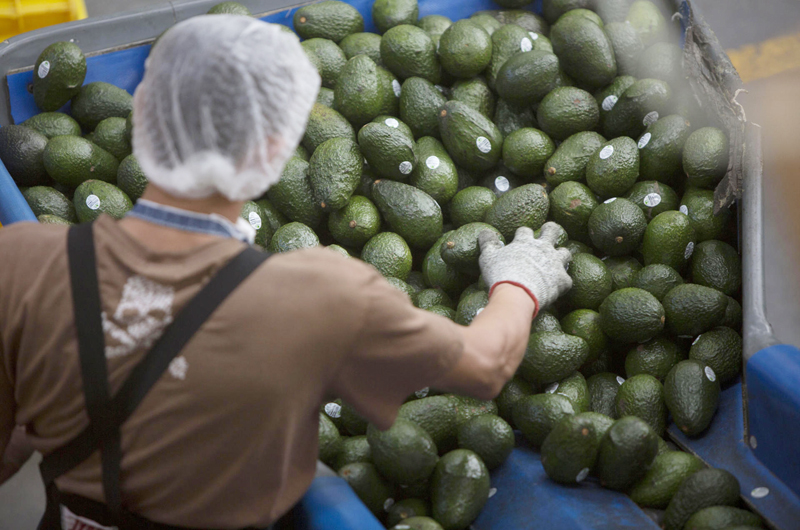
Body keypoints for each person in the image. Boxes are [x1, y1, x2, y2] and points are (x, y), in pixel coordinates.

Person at [0, 14, 572, 530]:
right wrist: (521, 277)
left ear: (141, 117)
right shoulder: (321, 293)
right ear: (275, 152)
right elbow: (486, 366)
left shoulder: (22, 259)